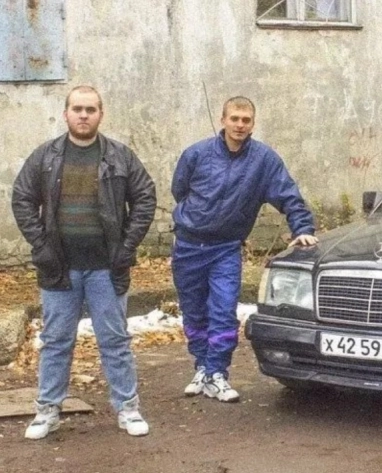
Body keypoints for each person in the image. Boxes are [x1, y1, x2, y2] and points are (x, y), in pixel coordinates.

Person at [12, 86, 157, 439]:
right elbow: (22, 198)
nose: (83, 115)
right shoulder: (45, 156)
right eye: (77, 108)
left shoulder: (120, 157)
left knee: (115, 341)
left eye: (90, 109)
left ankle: (128, 408)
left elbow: (145, 197)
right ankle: (47, 410)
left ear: (100, 114)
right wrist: (41, 247)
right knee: (56, 341)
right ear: (66, 113)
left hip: (107, 268)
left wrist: (127, 246)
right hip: (59, 268)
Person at [171, 96, 318, 403]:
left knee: (223, 310)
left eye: (246, 120)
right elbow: (179, 190)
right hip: (188, 246)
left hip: (226, 248)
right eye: (234, 118)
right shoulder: (196, 154)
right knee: (194, 312)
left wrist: (302, 229)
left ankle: (218, 373)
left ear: (253, 123)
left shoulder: (264, 161)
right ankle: (202, 367)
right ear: (223, 120)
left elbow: (288, 195)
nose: (239, 125)